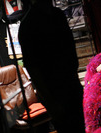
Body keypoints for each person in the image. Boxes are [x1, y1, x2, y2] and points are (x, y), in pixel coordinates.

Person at [18, 0, 85, 133]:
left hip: (70, 84)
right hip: (54, 91)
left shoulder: (57, 15)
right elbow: (33, 69)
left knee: (79, 125)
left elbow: (70, 48)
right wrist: (50, 101)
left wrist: (74, 76)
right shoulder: (29, 25)